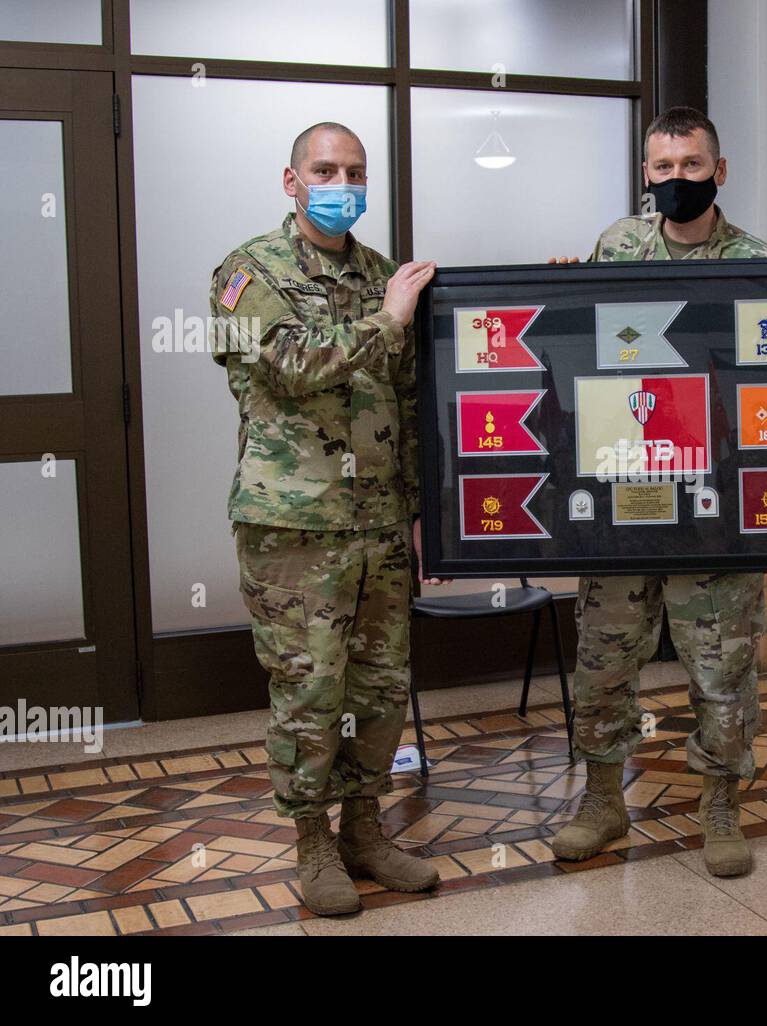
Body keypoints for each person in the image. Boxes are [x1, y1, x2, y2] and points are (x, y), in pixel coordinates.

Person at [210, 122, 443, 916]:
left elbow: (409, 403)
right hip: (294, 531)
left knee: (380, 689)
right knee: (309, 694)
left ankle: (366, 831)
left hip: (379, 525)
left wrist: (421, 513)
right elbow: (295, 365)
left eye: (354, 170)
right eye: (325, 169)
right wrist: (391, 320)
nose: (340, 182)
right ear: (291, 180)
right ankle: (313, 841)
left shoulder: (383, 274)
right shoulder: (247, 273)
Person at [547, 107, 767, 878]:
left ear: (720, 169)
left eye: (691, 164)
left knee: (722, 664)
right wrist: (557, 300)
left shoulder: (756, 258)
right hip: (622, 493)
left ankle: (719, 803)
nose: (677, 179)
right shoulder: (616, 245)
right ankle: (604, 798)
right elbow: (587, 354)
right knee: (604, 657)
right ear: (646, 173)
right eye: (663, 167)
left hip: (713, 503)